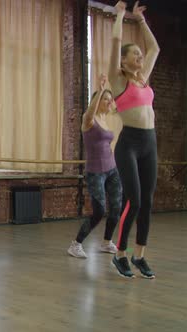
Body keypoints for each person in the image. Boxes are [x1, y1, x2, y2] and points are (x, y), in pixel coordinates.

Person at [108, 1, 160, 279]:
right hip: (128, 143)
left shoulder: (143, 79)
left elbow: (155, 49)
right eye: (135, 55)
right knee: (135, 201)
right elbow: (115, 42)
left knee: (148, 202)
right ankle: (119, 254)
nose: (141, 58)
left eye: (141, 55)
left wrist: (140, 20)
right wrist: (119, 15)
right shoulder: (119, 81)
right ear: (124, 60)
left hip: (149, 142)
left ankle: (140, 256)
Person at [67, 74, 121, 258]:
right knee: (99, 211)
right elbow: (90, 111)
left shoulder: (106, 120)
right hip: (95, 172)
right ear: (96, 101)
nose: (108, 101)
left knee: (116, 207)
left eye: (109, 99)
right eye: (104, 98)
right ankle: (76, 244)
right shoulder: (88, 119)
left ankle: (107, 242)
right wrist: (99, 88)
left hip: (112, 170)